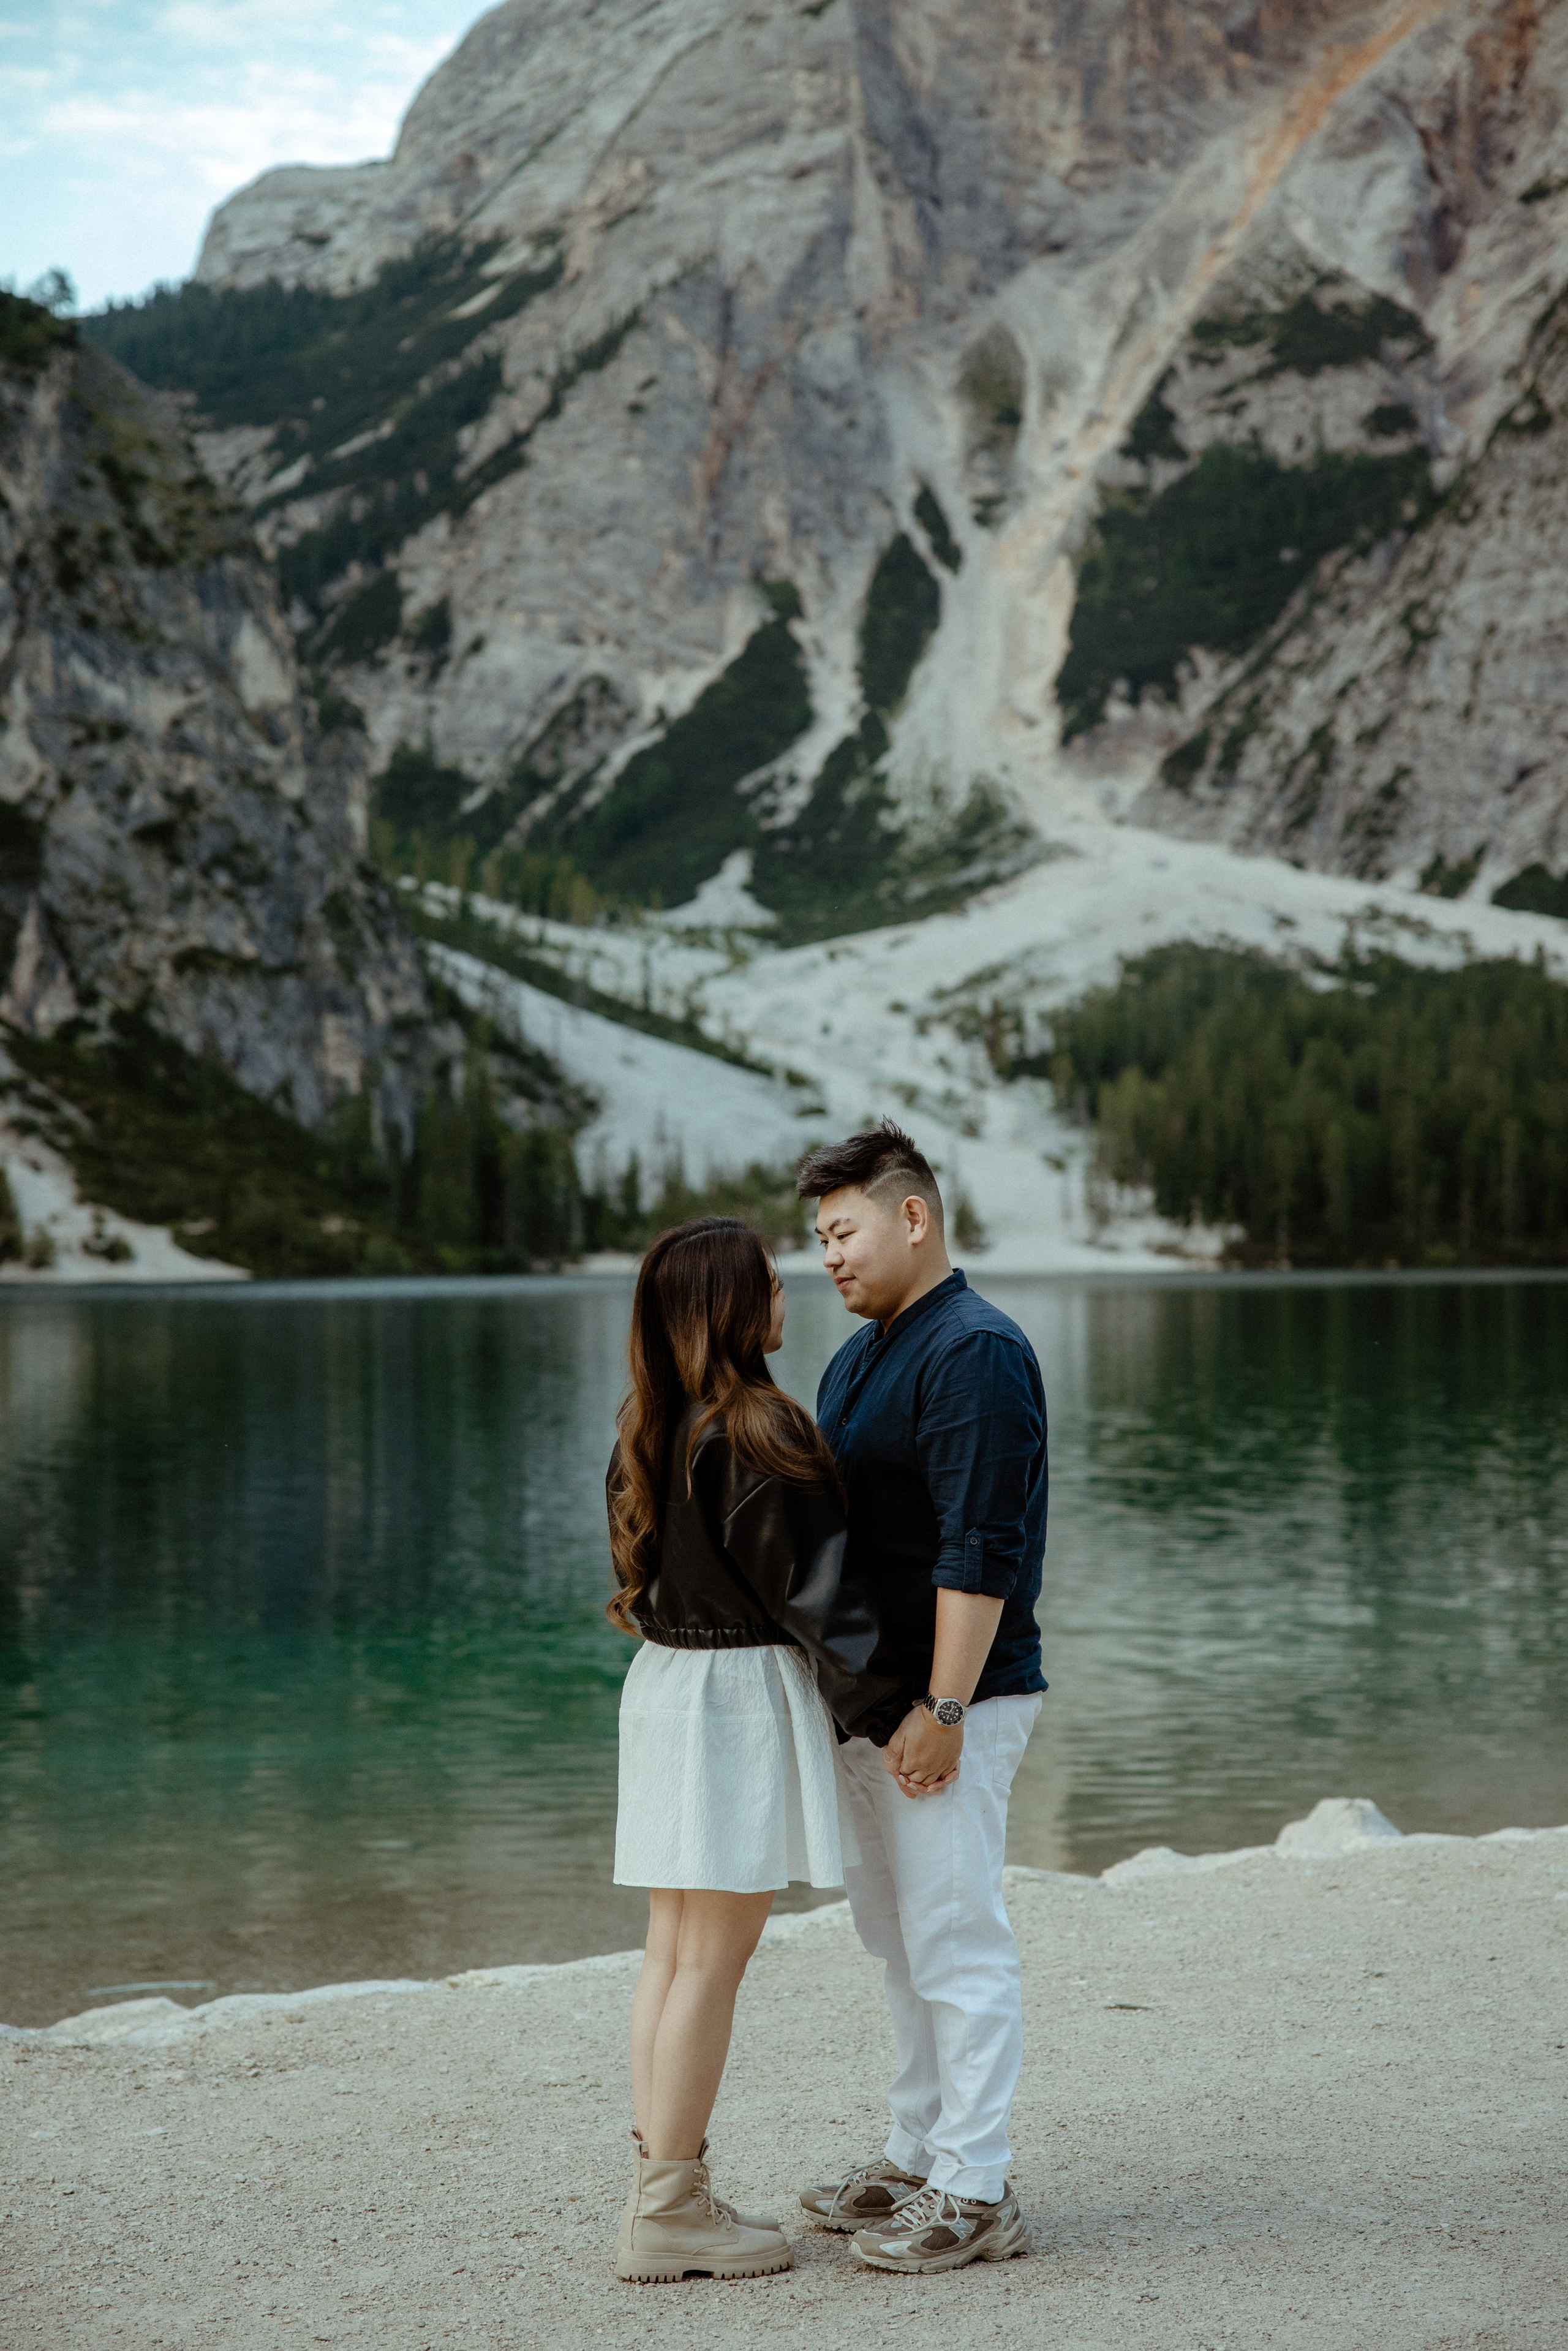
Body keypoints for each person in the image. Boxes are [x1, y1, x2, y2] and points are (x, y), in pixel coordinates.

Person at [606, 1214, 907, 2284]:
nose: (788, 1292)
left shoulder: (651, 1422)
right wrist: (896, 1712)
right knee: (713, 1960)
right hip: (733, 1701)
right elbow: (822, 1599)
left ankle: (661, 2185)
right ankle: (671, 2207)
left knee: (669, 1950)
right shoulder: (762, 1427)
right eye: (770, 1281)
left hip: (667, 1685)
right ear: (737, 1306)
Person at [794, 1121, 1047, 2276]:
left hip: (956, 1701)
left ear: (914, 1216)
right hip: (874, 1698)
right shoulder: (859, 1356)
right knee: (894, 1937)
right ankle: (916, 2148)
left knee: (954, 1936)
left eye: (843, 1231)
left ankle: (976, 2184)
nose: (828, 1257)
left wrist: (943, 1711)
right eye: (817, 1239)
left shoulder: (975, 1349)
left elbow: (979, 1544)